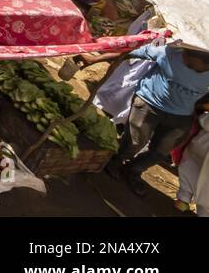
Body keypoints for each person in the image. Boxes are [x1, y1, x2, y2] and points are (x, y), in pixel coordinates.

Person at [88, 43, 209, 196]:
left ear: (205, 63)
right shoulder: (169, 52)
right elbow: (132, 53)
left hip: (181, 116)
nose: (183, 54)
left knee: (160, 152)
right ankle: (115, 161)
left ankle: (133, 170)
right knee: (135, 141)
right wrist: (96, 59)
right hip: (149, 103)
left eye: (188, 54)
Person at [174, 111, 209, 215]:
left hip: (200, 149)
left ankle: (183, 200)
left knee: (189, 173)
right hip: (200, 151)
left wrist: (203, 115)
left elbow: (205, 121)